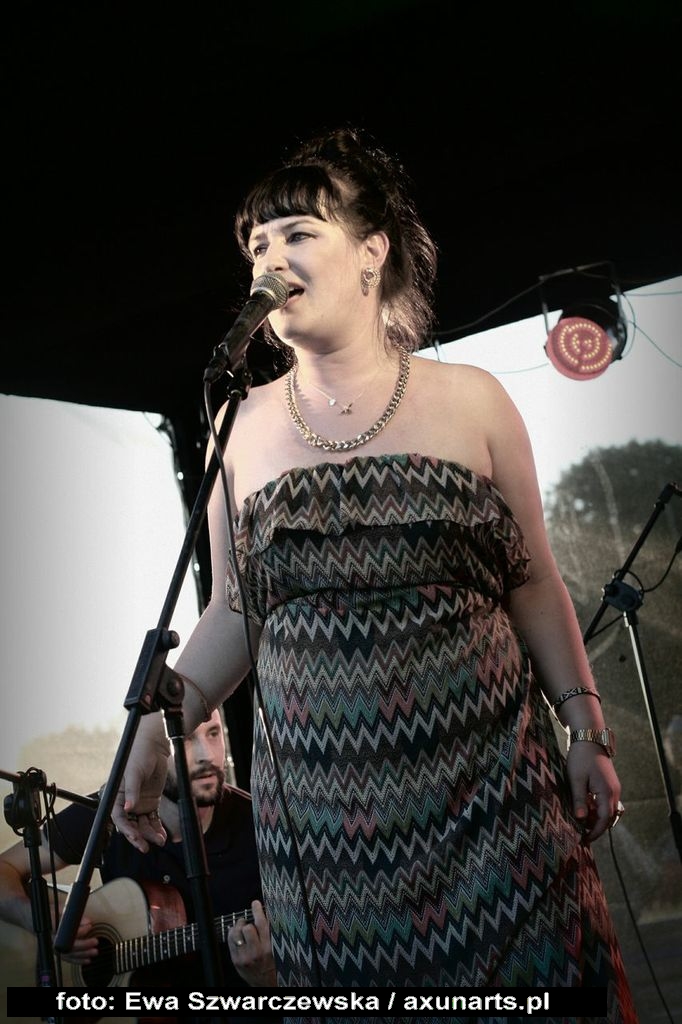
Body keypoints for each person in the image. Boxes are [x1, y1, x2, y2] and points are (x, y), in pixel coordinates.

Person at [112, 126, 637, 1021]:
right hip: (327, 849)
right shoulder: (236, 429)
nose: (269, 259)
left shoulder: (473, 400)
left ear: (371, 253)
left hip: (496, 816)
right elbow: (235, 611)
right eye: (256, 245)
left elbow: (534, 582)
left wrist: (587, 729)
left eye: (297, 233)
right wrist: (159, 724)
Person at [0, 709, 276, 990]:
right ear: (145, 751)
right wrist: (38, 921)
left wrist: (267, 980)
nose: (208, 755)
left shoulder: (266, 830)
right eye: (184, 738)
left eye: (214, 733)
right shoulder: (111, 811)